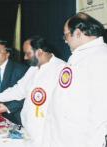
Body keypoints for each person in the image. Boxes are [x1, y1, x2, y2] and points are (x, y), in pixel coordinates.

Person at [0, 36, 66, 146]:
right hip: (29, 128)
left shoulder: (61, 69)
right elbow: (19, 89)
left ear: (39, 52)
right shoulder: (34, 68)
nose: (25, 57)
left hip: (46, 132)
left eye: (28, 53)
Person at [41, 12, 107, 147]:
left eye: (65, 35)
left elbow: (101, 111)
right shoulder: (79, 56)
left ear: (77, 33)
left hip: (79, 140)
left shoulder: (101, 57)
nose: (65, 40)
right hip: (63, 137)